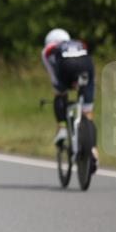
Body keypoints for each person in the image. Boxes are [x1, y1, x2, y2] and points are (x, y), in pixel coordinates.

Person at [41, 28, 97, 172]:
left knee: (59, 95)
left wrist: (60, 88)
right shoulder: (78, 43)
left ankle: (62, 128)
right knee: (87, 112)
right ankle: (93, 151)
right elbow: (89, 61)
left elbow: (53, 72)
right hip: (86, 66)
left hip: (66, 67)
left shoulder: (49, 49)